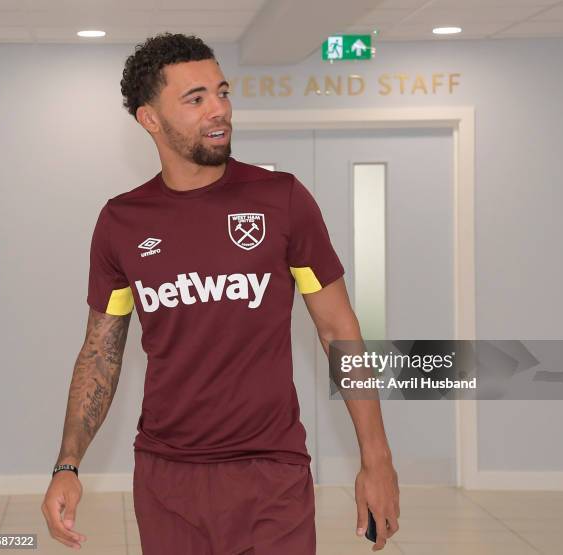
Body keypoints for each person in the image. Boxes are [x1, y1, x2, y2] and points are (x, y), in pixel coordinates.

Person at [41, 33, 399, 554]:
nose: (220, 110)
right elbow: (100, 353)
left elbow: (337, 329)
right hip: (168, 480)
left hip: (271, 471)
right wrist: (68, 464)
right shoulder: (121, 222)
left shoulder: (283, 201)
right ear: (150, 120)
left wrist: (377, 458)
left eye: (222, 92)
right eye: (196, 98)